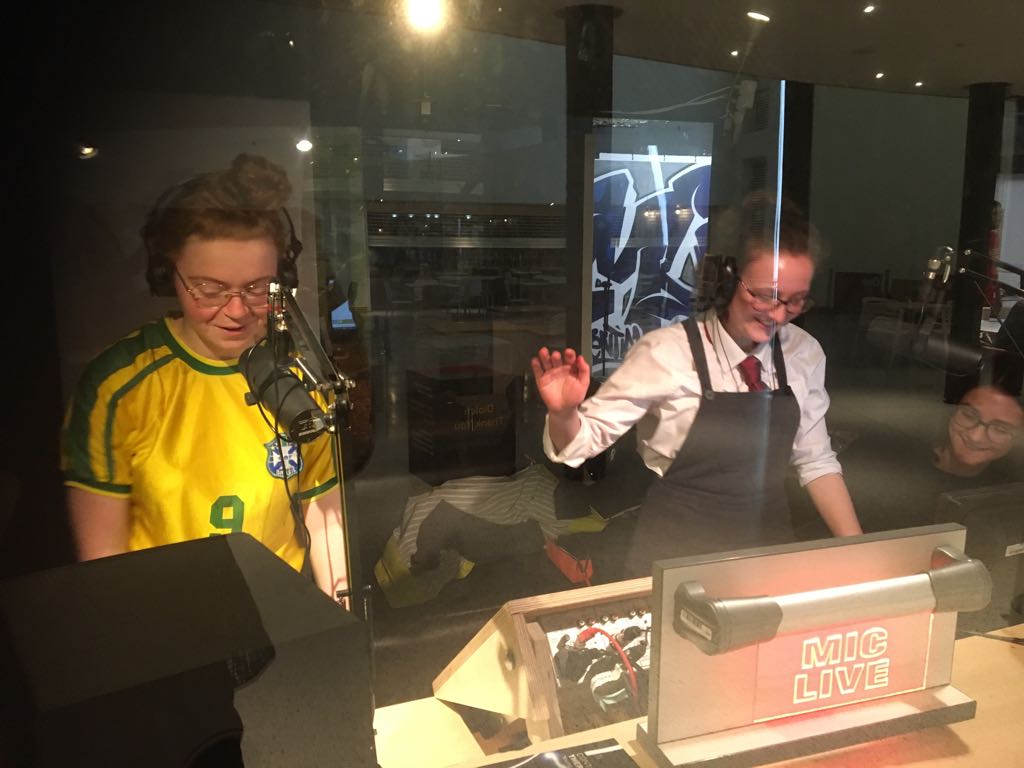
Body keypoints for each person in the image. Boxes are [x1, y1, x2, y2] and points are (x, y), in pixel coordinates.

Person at [61, 153, 348, 599]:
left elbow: (323, 513)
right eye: (209, 288)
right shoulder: (117, 387)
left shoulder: (303, 377)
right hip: (169, 625)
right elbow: (104, 566)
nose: (236, 311)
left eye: (257, 288)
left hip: (282, 617)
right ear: (167, 275)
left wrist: (340, 617)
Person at [531, 195, 862, 576]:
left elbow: (816, 460)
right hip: (676, 552)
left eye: (796, 301)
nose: (778, 314)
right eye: (765, 295)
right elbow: (582, 441)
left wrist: (857, 551)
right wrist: (564, 413)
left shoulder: (804, 354)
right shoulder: (668, 352)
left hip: (768, 549)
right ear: (725, 280)